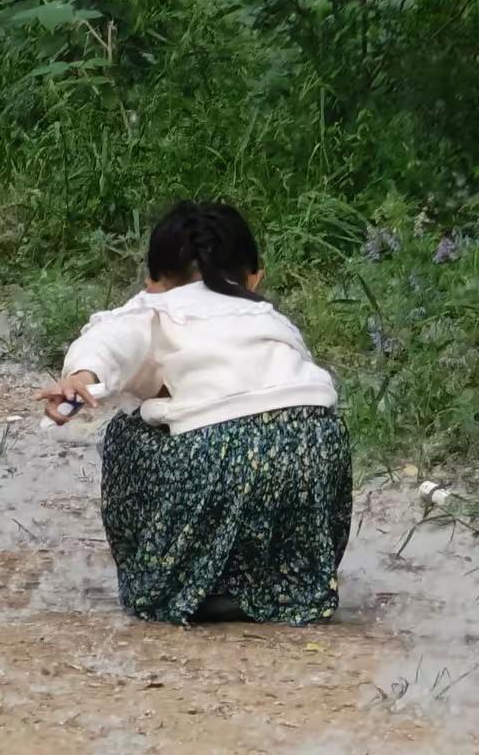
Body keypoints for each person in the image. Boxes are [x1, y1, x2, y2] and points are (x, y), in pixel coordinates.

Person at [38, 200, 352, 626]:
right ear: (256, 277)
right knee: (271, 462)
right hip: (316, 443)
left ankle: (169, 582)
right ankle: (292, 585)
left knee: (128, 434)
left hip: (217, 451)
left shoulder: (152, 309)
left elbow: (109, 341)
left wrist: (80, 377)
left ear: (151, 281)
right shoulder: (270, 317)